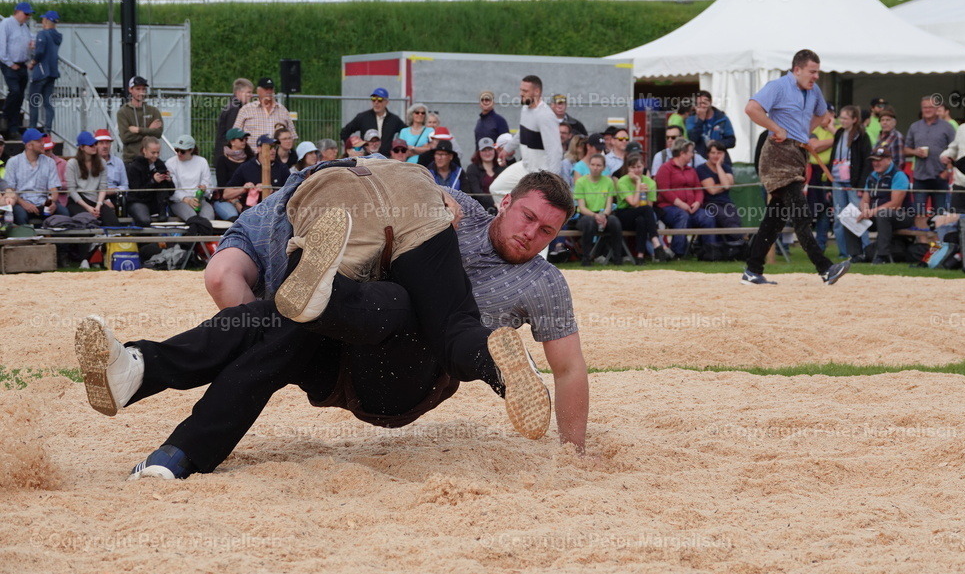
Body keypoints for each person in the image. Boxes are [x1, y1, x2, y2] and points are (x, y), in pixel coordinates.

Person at [76, 166, 590, 480]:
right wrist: (437, 201)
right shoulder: (459, 216)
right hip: (353, 340)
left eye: (547, 230)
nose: (532, 234)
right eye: (527, 216)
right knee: (287, 323)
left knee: (399, 304)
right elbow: (396, 190)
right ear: (505, 202)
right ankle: (164, 426)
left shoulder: (543, 284)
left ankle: (499, 367)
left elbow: (569, 369)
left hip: (405, 381)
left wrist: (574, 453)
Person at [740, 49, 850, 286]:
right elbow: (751, 108)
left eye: (818, 72)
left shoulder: (814, 91)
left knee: (775, 218)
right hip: (777, 155)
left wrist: (803, 134)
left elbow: (823, 116)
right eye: (812, 71)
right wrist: (776, 127)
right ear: (797, 69)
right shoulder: (778, 86)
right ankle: (825, 268)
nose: (816, 77)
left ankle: (752, 270)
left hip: (798, 153)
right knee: (801, 213)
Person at [489, 75, 562, 200]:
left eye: (525, 91)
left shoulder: (545, 116)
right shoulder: (525, 109)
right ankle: (509, 218)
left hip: (541, 174)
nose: (521, 94)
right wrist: (506, 150)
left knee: (534, 203)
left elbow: (555, 151)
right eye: (521, 90)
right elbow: (521, 133)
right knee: (496, 189)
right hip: (525, 167)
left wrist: (552, 182)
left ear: (537, 92)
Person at [845, 148, 912, 264]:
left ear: (889, 160)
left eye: (879, 160)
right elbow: (865, 199)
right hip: (878, 215)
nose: (875, 163)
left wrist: (872, 212)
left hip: (902, 216)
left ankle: (883, 256)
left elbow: (895, 204)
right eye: (873, 160)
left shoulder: (899, 175)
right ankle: (857, 255)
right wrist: (865, 209)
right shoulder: (872, 176)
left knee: (883, 214)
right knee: (849, 214)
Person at [655, 138, 712, 257]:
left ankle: (709, 251)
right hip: (668, 208)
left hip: (692, 207)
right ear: (682, 153)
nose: (692, 155)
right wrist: (681, 204)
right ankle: (678, 253)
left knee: (707, 216)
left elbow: (698, 188)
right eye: (691, 152)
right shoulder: (665, 168)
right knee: (681, 216)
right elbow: (665, 191)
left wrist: (697, 202)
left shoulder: (691, 170)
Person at [829, 105, 872, 258]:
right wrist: (830, 183)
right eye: (841, 117)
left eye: (846, 118)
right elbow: (833, 155)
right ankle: (844, 252)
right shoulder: (839, 133)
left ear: (854, 119)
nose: (842, 120)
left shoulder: (861, 136)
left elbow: (867, 163)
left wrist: (861, 186)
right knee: (839, 218)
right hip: (837, 181)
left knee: (857, 216)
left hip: (853, 184)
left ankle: (865, 250)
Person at [904, 95, 956, 214]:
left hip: (940, 176)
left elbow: (955, 150)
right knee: (919, 214)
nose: (927, 110)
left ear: (937, 108)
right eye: (924, 107)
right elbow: (905, 149)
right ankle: (921, 233)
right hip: (920, 177)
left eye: (930, 107)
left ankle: (939, 233)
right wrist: (914, 152)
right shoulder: (914, 127)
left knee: (940, 215)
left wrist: (947, 172)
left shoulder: (947, 127)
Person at [3, 128, 66, 224]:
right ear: (29, 145)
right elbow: (11, 190)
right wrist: (24, 204)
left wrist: (52, 202)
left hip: (44, 203)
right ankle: (25, 237)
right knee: (19, 214)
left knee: (63, 212)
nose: (43, 143)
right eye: (39, 141)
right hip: (21, 203)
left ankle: (59, 239)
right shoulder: (13, 162)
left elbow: (53, 189)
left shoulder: (50, 162)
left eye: (42, 141)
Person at [612, 152, 666, 264]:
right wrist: (638, 183)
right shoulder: (622, 181)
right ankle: (656, 241)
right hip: (624, 214)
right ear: (628, 168)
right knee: (645, 211)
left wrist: (644, 195)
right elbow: (633, 203)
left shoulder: (650, 182)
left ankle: (640, 256)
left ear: (643, 167)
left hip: (642, 213)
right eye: (633, 167)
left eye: (639, 166)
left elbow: (649, 206)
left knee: (642, 219)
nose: (636, 170)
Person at [221, 134, 290, 214]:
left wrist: (272, 192)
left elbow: (290, 193)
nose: (273, 150)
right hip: (249, 211)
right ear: (259, 148)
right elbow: (226, 194)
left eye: (275, 147)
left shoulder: (282, 168)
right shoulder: (246, 167)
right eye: (270, 147)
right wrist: (244, 189)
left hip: (274, 211)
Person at [574, 153, 623, 265]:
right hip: (586, 215)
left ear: (604, 167)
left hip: (603, 214)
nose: (595, 168)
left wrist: (604, 215)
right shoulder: (581, 182)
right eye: (593, 164)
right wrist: (595, 216)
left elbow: (609, 205)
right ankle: (586, 258)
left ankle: (617, 259)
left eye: (598, 165)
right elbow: (581, 207)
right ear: (589, 166)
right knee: (589, 222)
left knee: (615, 222)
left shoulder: (608, 182)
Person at [695, 141, 743, 247]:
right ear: (708, 154)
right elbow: (712, 190)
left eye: (719, 153)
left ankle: (735, 245)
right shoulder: (701, 168)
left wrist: (718, 166)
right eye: (713, 153)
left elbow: (726, 186)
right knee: (726, 218)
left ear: (724, 154)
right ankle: (741, 239)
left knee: (735, 218)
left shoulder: (726, 167)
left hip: (726, 202)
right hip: (710, 203)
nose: (716, 156)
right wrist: (723, 184)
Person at [66, 130, 117, 226]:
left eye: (95, 144)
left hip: (96, 200)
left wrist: (98, 205)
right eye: (91, 145)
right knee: (87, 221)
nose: (94, 147)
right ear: (81, 147)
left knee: (113, 221)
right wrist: (88, 207)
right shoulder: (72, 163)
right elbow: (72, 190)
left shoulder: (101, 162)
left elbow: (103, 187)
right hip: (78, 201)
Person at [0, 2, 35, 138]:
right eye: (26, 14)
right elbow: (2, 45)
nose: (28, 17)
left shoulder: (24, 26)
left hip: (21, 64)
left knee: (20, 95)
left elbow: (30, 37)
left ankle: (13, 127)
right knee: (14, 91)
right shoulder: (6, 24)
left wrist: (33, 43)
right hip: (10, 64)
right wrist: (9, 62)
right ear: (18, 12)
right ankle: (6, 115)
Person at [233, 78, 296, 152]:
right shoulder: (246, 109)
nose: (269, 91)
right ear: (258, 91)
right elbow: (235, 135)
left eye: (271, 89)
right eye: (266, 89)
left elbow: (293, 136)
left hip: (276, 158)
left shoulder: (283, 110)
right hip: (253, 157)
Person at [805, 102, 836, 250]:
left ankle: (821, 244)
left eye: (828, 114)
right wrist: (836, 140)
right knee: (815, 209)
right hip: (816, 174)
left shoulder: (838, 130)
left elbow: (847, 140)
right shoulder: (815, 129)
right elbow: (814, 146)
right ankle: (813, 244)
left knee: (827, 210)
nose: (825, 117)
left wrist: (833, 132)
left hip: (834, 172)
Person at [340, 88, 405, 156]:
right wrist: (351, 147)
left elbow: (407, 132)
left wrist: (401, 149)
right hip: (366, 158)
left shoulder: (394, 119)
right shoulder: (363, 117)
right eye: (373, 99)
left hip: (386, 158)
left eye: (380, 99)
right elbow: (344, 132)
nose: (376, 102)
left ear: (387, 102)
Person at [125, 135, 172, 226]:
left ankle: (162, 213)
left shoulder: (160, 164)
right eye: (153, 153)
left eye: (158, 152)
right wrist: (153, 181)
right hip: (138, 201)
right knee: (144, 220)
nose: (156, 155)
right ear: (144, 150)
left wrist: (169, 181)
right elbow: (137, 192)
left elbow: (170, 192)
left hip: (156, 203)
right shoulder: (134, 167)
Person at [27, 10, 61, 136]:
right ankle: (48, 129)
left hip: (41, 72)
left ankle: (32, 128)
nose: (42, 22)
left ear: (47, 21)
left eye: (43, 19)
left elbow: (41, 52)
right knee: (47, 102)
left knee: (33, 100)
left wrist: (33, 62)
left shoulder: (42, 34)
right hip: (52, 72)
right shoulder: (57, 36)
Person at [166, 134, 213, 221]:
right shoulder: (170, 163)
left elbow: (208, 185)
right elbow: (173, 189)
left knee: (208, 218)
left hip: (199, 199)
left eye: (182, 151)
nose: (179, 153)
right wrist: (186, 200)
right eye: (176, 150)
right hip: (179, 201)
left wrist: (204, 189)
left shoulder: (202, 161)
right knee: (192, 218)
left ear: (191, 150)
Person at [116, 76, 163, 163]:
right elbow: (125, 137)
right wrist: (149, 130)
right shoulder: (123, 112)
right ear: (130, 89)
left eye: (143, 89)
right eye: (138, 89)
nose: (141, 92)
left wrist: (138, 130)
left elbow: (158, 133)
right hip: (131, 159)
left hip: (151, 159)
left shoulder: (153, 111)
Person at [685, 90, 736, 163]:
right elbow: (692, 139)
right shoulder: (691, 119)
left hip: (720, 160)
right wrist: (700, 120)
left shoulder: (722, 118)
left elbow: (732, 141)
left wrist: (717, 143)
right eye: (699, 104)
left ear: (710, 102)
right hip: (700, 160)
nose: (702, 106)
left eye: (704, 103)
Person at [213, 127, 252, 221]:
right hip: (226, 200)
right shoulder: (222, 161)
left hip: (247, 198)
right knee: (233, 217)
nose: (244, 142)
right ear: (232, 142)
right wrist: (235, 199)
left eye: (246, 139)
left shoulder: (250, 158)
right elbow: (222, 188)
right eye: (241, 139)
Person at [463, 137, 504, 211]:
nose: (487, 153)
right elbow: (477, 192)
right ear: (478, 152)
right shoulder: (472, 169)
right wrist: (494, 202)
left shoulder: (502, 168)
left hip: (501, 207)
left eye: (490, 149)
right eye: (484, 150)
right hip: (480, 210)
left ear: (494, 151)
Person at [214, 78, 253, 156]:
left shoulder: (232, 106)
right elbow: (232, 134)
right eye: (248, 92)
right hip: (228, 154)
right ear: (239, 92)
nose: (251, 95)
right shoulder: (235, 109)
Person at [94, 128, 128, 216]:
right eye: (101, 143)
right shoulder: (90, 162)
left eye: (107, 143)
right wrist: (103, 200)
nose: (105, 146)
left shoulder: (118, 162)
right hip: (95, 197)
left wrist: (114, 190)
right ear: (95, 145)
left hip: (115, 196)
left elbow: (125, 186)